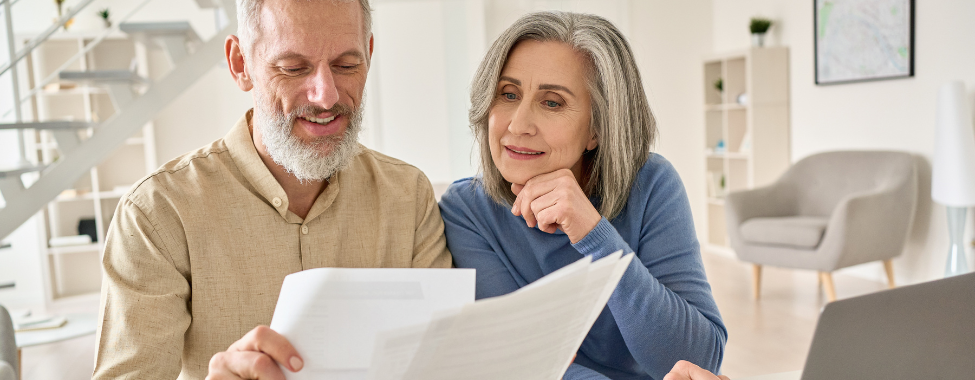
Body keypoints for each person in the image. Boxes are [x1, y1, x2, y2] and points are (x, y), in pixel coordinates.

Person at [92, 0, 451, 378]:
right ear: (240, 64)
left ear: (370, 54)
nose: (326, 96)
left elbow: (446, 362)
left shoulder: (408, 196)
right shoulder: (158, 214)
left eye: (347, 65)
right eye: (293, 68)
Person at [437, 11, 727, 380]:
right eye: (508, 95)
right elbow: (527, 365)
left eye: (552, 102)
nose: (518, 124)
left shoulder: (651, 184)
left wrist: (595, 236)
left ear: (598, 129)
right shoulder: (467, 211)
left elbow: (697, 360)